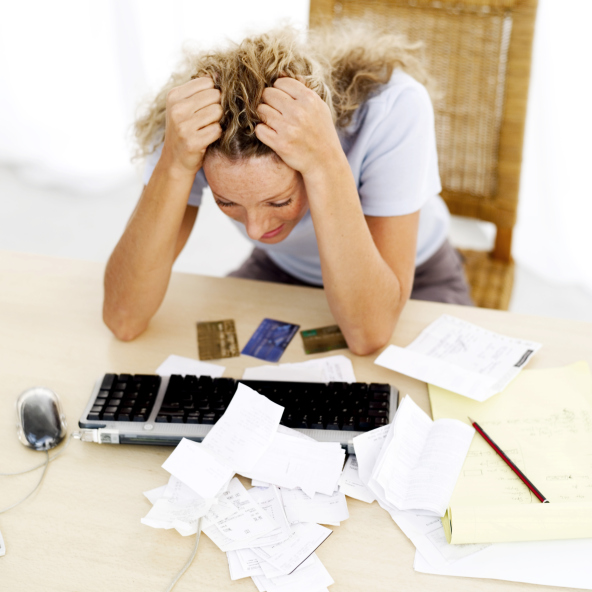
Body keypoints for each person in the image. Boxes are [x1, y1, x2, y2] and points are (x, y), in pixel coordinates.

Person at [103, 24, 472, 355]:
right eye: (227, 202)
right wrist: (172, 164)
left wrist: (326, 161)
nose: (256, 230)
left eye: (278, 200)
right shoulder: (190, 129)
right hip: (279, 268)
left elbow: (369, 333)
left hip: (415, 276)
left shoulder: (393, 108)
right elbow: (123, 318)